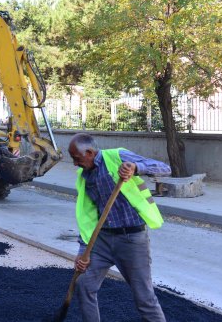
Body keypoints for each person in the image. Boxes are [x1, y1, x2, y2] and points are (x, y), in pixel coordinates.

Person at [68, 133, 170, 322]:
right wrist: (83, 251)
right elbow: (88, 217)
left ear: (89, 152)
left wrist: (136, 167)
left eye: (76, 158)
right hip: (102, 241)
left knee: (144, 298)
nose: (75, 163)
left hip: (131, 240)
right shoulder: (84, 175)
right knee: (84, 284)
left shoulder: (118, 156)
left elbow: (165, 168)